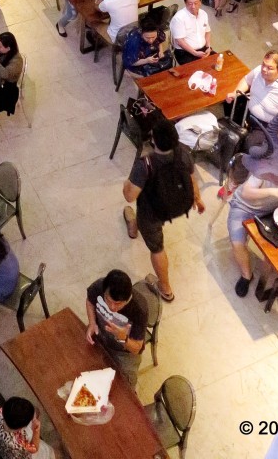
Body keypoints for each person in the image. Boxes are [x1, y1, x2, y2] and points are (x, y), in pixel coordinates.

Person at [122, 120, 205, 303]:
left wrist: (127, 183)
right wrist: (197, 199)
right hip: (174, 206)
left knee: (157, 247)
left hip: (152, 213)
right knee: (149, 224)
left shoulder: (145, 164)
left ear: (153, 140)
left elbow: (130, 196)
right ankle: (135, 224)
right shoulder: (183, 153)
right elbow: (192, 179)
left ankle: (165, 287)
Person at [227, 157, 278, 297]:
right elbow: (247, 192)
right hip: (244, 207)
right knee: (237, 243)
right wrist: (272, 192)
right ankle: (246, 275)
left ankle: (272, 270)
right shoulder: (263, 168)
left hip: (271, 211)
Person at [85, 268, 147, 389]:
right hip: (100, 337)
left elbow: (136, 349)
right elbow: (90, 301)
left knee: (125, 390)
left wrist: (123, 338)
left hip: (124, 353)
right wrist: (92, 323)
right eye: (108, 300)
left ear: (128, 298)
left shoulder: (139, 308)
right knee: (83, 367)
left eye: (118, 303)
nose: (112, 307)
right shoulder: (99, 286)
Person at [226, 50, 278, 132]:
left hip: (265, 126)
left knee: (250, 144)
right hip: (248, 111)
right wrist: (235, 93)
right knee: (225, 109)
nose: (264, 69)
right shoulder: (259, 70)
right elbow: (246, 80)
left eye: (269, 68)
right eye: (263, 64)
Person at [169, 0, 214, 64]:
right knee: (198, 71)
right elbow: (180, 42)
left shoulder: (204, 14)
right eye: (190, 4)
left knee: (218, 64)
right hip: (185, 52)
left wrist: (208, 47)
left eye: (195, 3)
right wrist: (195, 53)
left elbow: (207, 31)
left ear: (200, 1)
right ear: (185, 3)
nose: (193, 6)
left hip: (202, 49)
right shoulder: (178, 18)